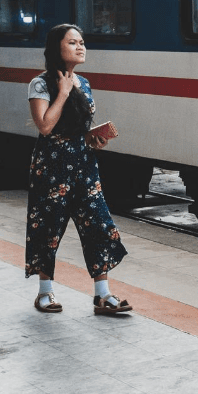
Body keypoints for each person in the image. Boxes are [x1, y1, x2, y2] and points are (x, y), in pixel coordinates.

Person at [26, 23, 132, 316]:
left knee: (99, 225)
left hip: (84, 165)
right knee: (49, 228)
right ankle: (45, 293)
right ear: (56, 48)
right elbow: (45, 127)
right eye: (73, 42)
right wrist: (62, 92)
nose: (80, 46)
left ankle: (103, 295)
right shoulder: (40, 83)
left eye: (82, 42)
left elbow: (80, 129)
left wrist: (95, 140)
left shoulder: (84, 83)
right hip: (52, 167)